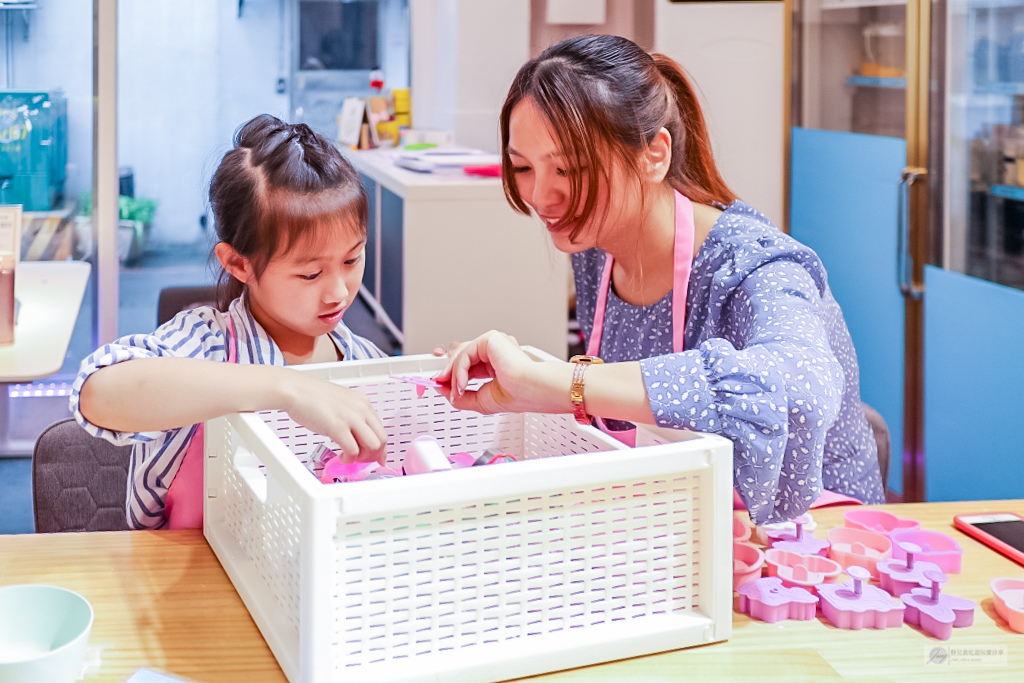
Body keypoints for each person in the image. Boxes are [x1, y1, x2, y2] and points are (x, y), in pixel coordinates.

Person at [436, 35, 885, 525]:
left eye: (570, 168)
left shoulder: (754, 266)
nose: (542, 197)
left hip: (816, 540)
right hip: (688, 518)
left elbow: (800, 389)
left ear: (654, 155)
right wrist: (526, 380)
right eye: (522, 167)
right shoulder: (595, 249)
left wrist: (562, 382)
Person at [72, 114, 389, 530]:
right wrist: (288, 389)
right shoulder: (206, 344)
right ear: (238, 263)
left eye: (351, 259)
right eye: (310, 274)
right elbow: (97, 394)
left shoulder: (364, 362)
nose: (339, 292)